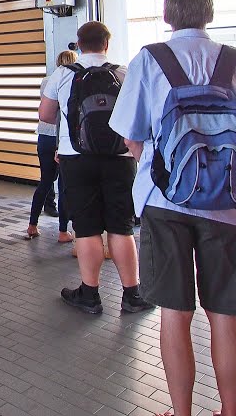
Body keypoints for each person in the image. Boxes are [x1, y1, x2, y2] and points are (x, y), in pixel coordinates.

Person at [109, 0, 236, 416]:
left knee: (175, 313)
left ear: (168, 16)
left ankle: (182, 413)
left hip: (165, 205)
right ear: (209, 14)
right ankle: (229, 412)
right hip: (227, 208)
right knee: (224, 314)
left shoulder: (149, 60)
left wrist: (166, 168)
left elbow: (131, 136)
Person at [38, 21, 153, 315]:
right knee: (121, 227)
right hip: (120, 158)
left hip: (76, 158)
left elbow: (46, 115)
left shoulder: (63, 75)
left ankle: (89, 294)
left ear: (79, 43)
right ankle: (132, 293)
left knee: (87, 228)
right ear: (107, 43)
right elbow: (139, 115)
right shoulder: (123, 74)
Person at [27, 50, 76, 241]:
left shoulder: (47, 81)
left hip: (44, 137)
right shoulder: (75, 80)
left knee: (45, 181)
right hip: (63, 138)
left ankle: (32, 225)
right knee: (64, 185)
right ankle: (63, 231)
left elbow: (46, 109)